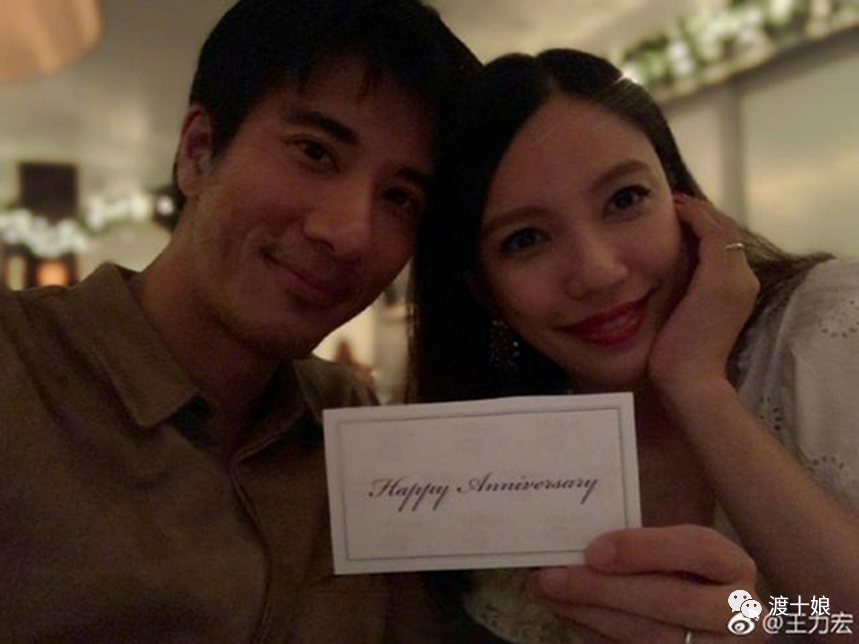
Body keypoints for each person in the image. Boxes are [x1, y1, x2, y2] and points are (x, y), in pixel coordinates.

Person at [0, 0, 480, 641]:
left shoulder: (349, 425)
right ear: (198, 151)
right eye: (315, 152)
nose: (350, 234)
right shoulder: (18, 372)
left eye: (399, 197)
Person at [409, 48, 859, 643]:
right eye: (525, 239)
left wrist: (696, 385)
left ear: (682, 200)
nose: (597, 272)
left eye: (624, 200)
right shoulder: (488, 475)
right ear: (484, 290)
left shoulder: (830, 330)